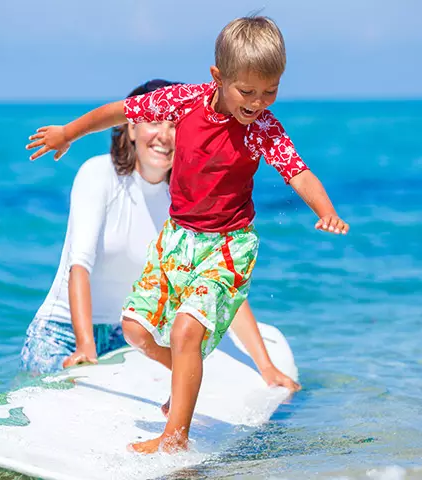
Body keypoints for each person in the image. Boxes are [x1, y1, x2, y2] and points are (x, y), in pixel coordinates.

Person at [26, 15, 348, 454]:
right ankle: (187, 371)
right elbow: (120, 111)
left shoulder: (262, 130)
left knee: (183, 333)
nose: (258, 103)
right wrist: (68, 133)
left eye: (270, 91)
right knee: (135, 328)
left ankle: (175, 436)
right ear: (218, 77)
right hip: (178, 239)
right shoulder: (182, 102)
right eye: (247, 92)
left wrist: (325, 211)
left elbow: (298, 172)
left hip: (229, 246)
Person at [21, 79, 301, 395]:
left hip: (125, 337)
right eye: (154, 121)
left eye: (175, 124)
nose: (165, 136)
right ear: (130, 128)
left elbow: (219, 283)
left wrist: (265, 366)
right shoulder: (98, 174)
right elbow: (79, 267)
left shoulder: (183, 198)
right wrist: (86, 346)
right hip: (63, 335)